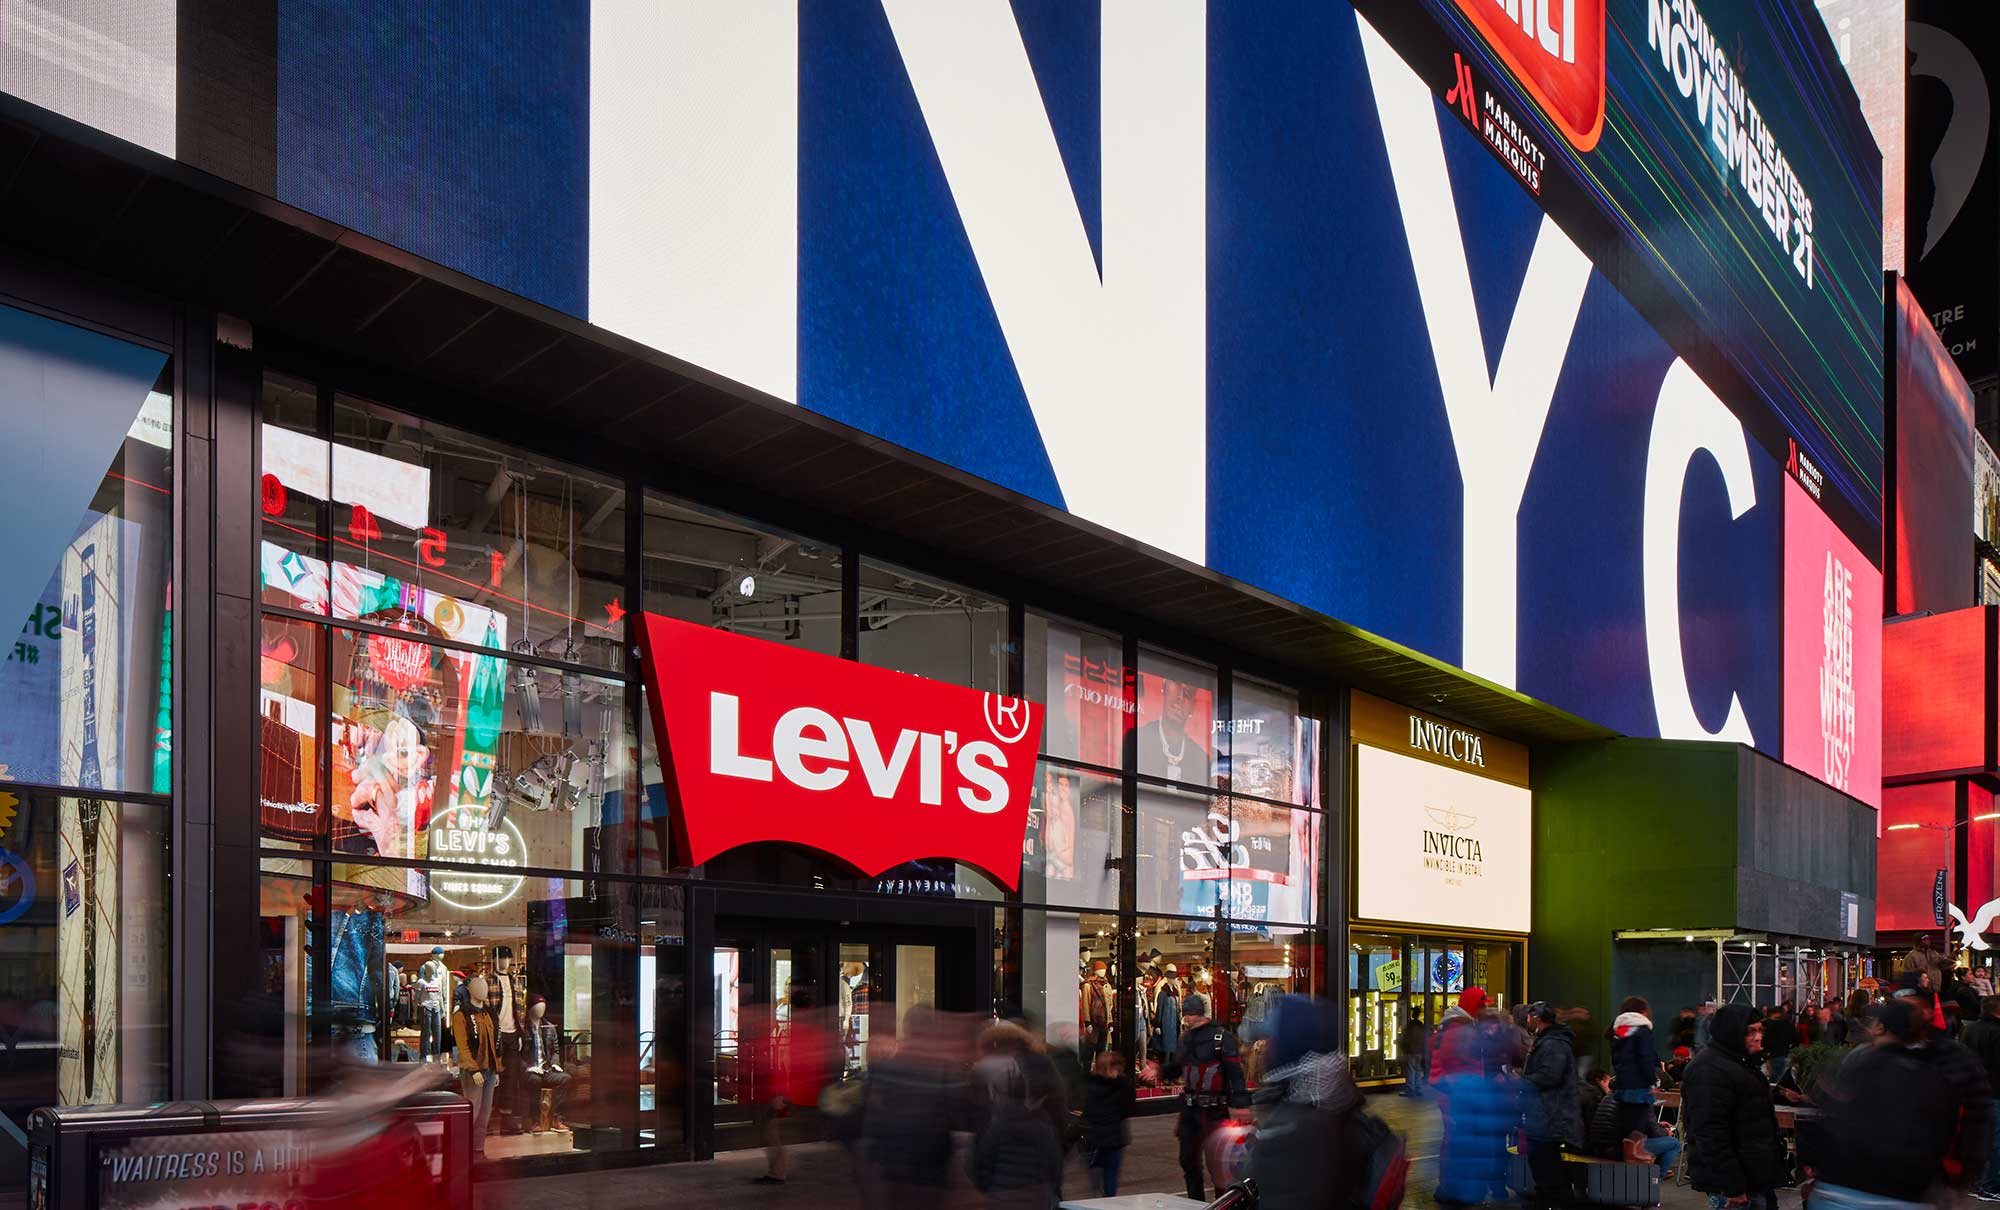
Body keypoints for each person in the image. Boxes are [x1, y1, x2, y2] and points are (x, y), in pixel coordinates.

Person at [1803, 997, 1994, 1206]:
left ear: (1880, 1028)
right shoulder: (1934, 1072)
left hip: (1840, 1188)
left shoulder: (1856, 1063)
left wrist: (1814, 1164)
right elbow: (1953, 1129)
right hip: (1905, 1192)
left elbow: (1824, 1114)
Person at [1250, 995, 1367, 1210]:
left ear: (1285, 1045)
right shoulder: (1338, 1095)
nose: (1265, 1048)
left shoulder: (1288, 1128)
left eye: (1271, 1039)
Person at [1680, 1005, 1785, 1210]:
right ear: (1732, 1033)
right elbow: (1710, 1134)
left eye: (1760, 1030)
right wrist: (1733, 1185)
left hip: (1753, 1178)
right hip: (1734, 1188)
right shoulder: (1710, 1069)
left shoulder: (1741, 1063)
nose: (1757, 1037)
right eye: (1750, 1032)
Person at [1160, 991, 1248, 1203]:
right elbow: (1176, 1068)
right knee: (1188, 1162)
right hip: (1190, 1112)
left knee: (1218, 1165)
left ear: (1199, 1014)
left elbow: (1235, 1074)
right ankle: (1195, 1205)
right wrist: (1160, 1071)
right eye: (1186, 1014)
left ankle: (1223, 1206)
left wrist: (1241, 1105)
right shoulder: (1186, 1038)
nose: (1187, 1018)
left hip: (1215, 1112)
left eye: (1189, 1014)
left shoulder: (1222, 1038)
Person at [1431, 987, 1514, 1206]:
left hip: (1458, 1093)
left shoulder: (1458, 1026)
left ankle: (1454, 1188)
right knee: (1457, 1141)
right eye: (1481, 1004)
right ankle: (1451, 1189)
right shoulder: (1459, 1028)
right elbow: (1454, 1065)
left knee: (1459, 1140)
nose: (1483, 1008)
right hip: (1458, 1094)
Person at [972, 1033, 1063, 1210]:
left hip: (1002, 1197)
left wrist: (989, 1189)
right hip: (1034, 1196)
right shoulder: (1041, 1124)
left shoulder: (997, 1123)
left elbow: (981, 1160)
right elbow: (1054, 1163)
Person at [1522, 1002, 1583, 1209]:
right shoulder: (1550, 1041)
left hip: (1549, 1117)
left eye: (1530, 1017)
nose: (1527, 1020)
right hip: (1547, 1116)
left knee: (1547, 1169)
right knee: (1545, 1168)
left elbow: (1550, 1076)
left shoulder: (1552, 1043)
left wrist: (1521, 1082)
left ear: (1538, 1019)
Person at [1083, 1050, 1137, 1197]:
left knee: (1095, 1180)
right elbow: (1129, 1109)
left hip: (1094, 1139)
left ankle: (1097, 1201)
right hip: (1113, 1139)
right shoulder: (1121, 1087)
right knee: (1110, 1179)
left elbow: (1086, 1110)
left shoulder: (1090, 1084)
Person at [1962, 995, 2000, 1201]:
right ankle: (1990, 1184)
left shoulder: (1970, 1029)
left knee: (1977, 1136)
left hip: (1972, 1089)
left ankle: (1975, 1181)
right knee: (1995, 1139)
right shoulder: (1996, 1032)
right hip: (1993, 1091)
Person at [1610, 997, 1661, 1143]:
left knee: (1626, 1126)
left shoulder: (1619, 1031)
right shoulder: (1643, 1030)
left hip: (1623, 1085)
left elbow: (1615, 1059)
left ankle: (1625, 1158)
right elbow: (1645, 1057)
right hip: (1640, 1086)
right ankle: (1635, 1159)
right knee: (1638, 1127)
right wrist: (1652, 1081)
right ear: (1643, 1011)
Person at [1761, 1004, 1796, 1086]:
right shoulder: (1788, 1024)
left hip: (1772, 1054)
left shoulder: (1767, 1025)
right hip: (1784, 1053)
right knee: (1780, 1078)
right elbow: (1795, 1039)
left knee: (1773, 1079)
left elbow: (1765, 1040)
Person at [1400, 1008, 1431, 1097]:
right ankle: (1419, 1089)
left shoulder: (1410, 1026)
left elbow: (1405, 1039)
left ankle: (1410, 1090)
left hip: (1411, 1051)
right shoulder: (1421, 1026)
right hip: (1419, 1052)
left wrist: (1404, 1049)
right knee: (1418, 1071)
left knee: (1410, 1071)